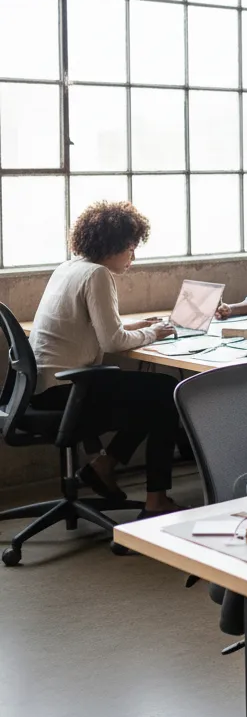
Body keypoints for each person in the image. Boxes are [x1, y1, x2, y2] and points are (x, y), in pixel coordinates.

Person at [29, 201, 180, 516]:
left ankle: (105, 465)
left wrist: (140, 326)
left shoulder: (69, 268)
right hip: (68, 391)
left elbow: (95, 327)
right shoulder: (98, 274)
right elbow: (112, 341)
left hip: (40, 389)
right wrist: (155, 334)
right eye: (130, 247)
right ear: (113, 245)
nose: (133, 256)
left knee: (150, 396)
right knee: (167, 392)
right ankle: (156, 501)